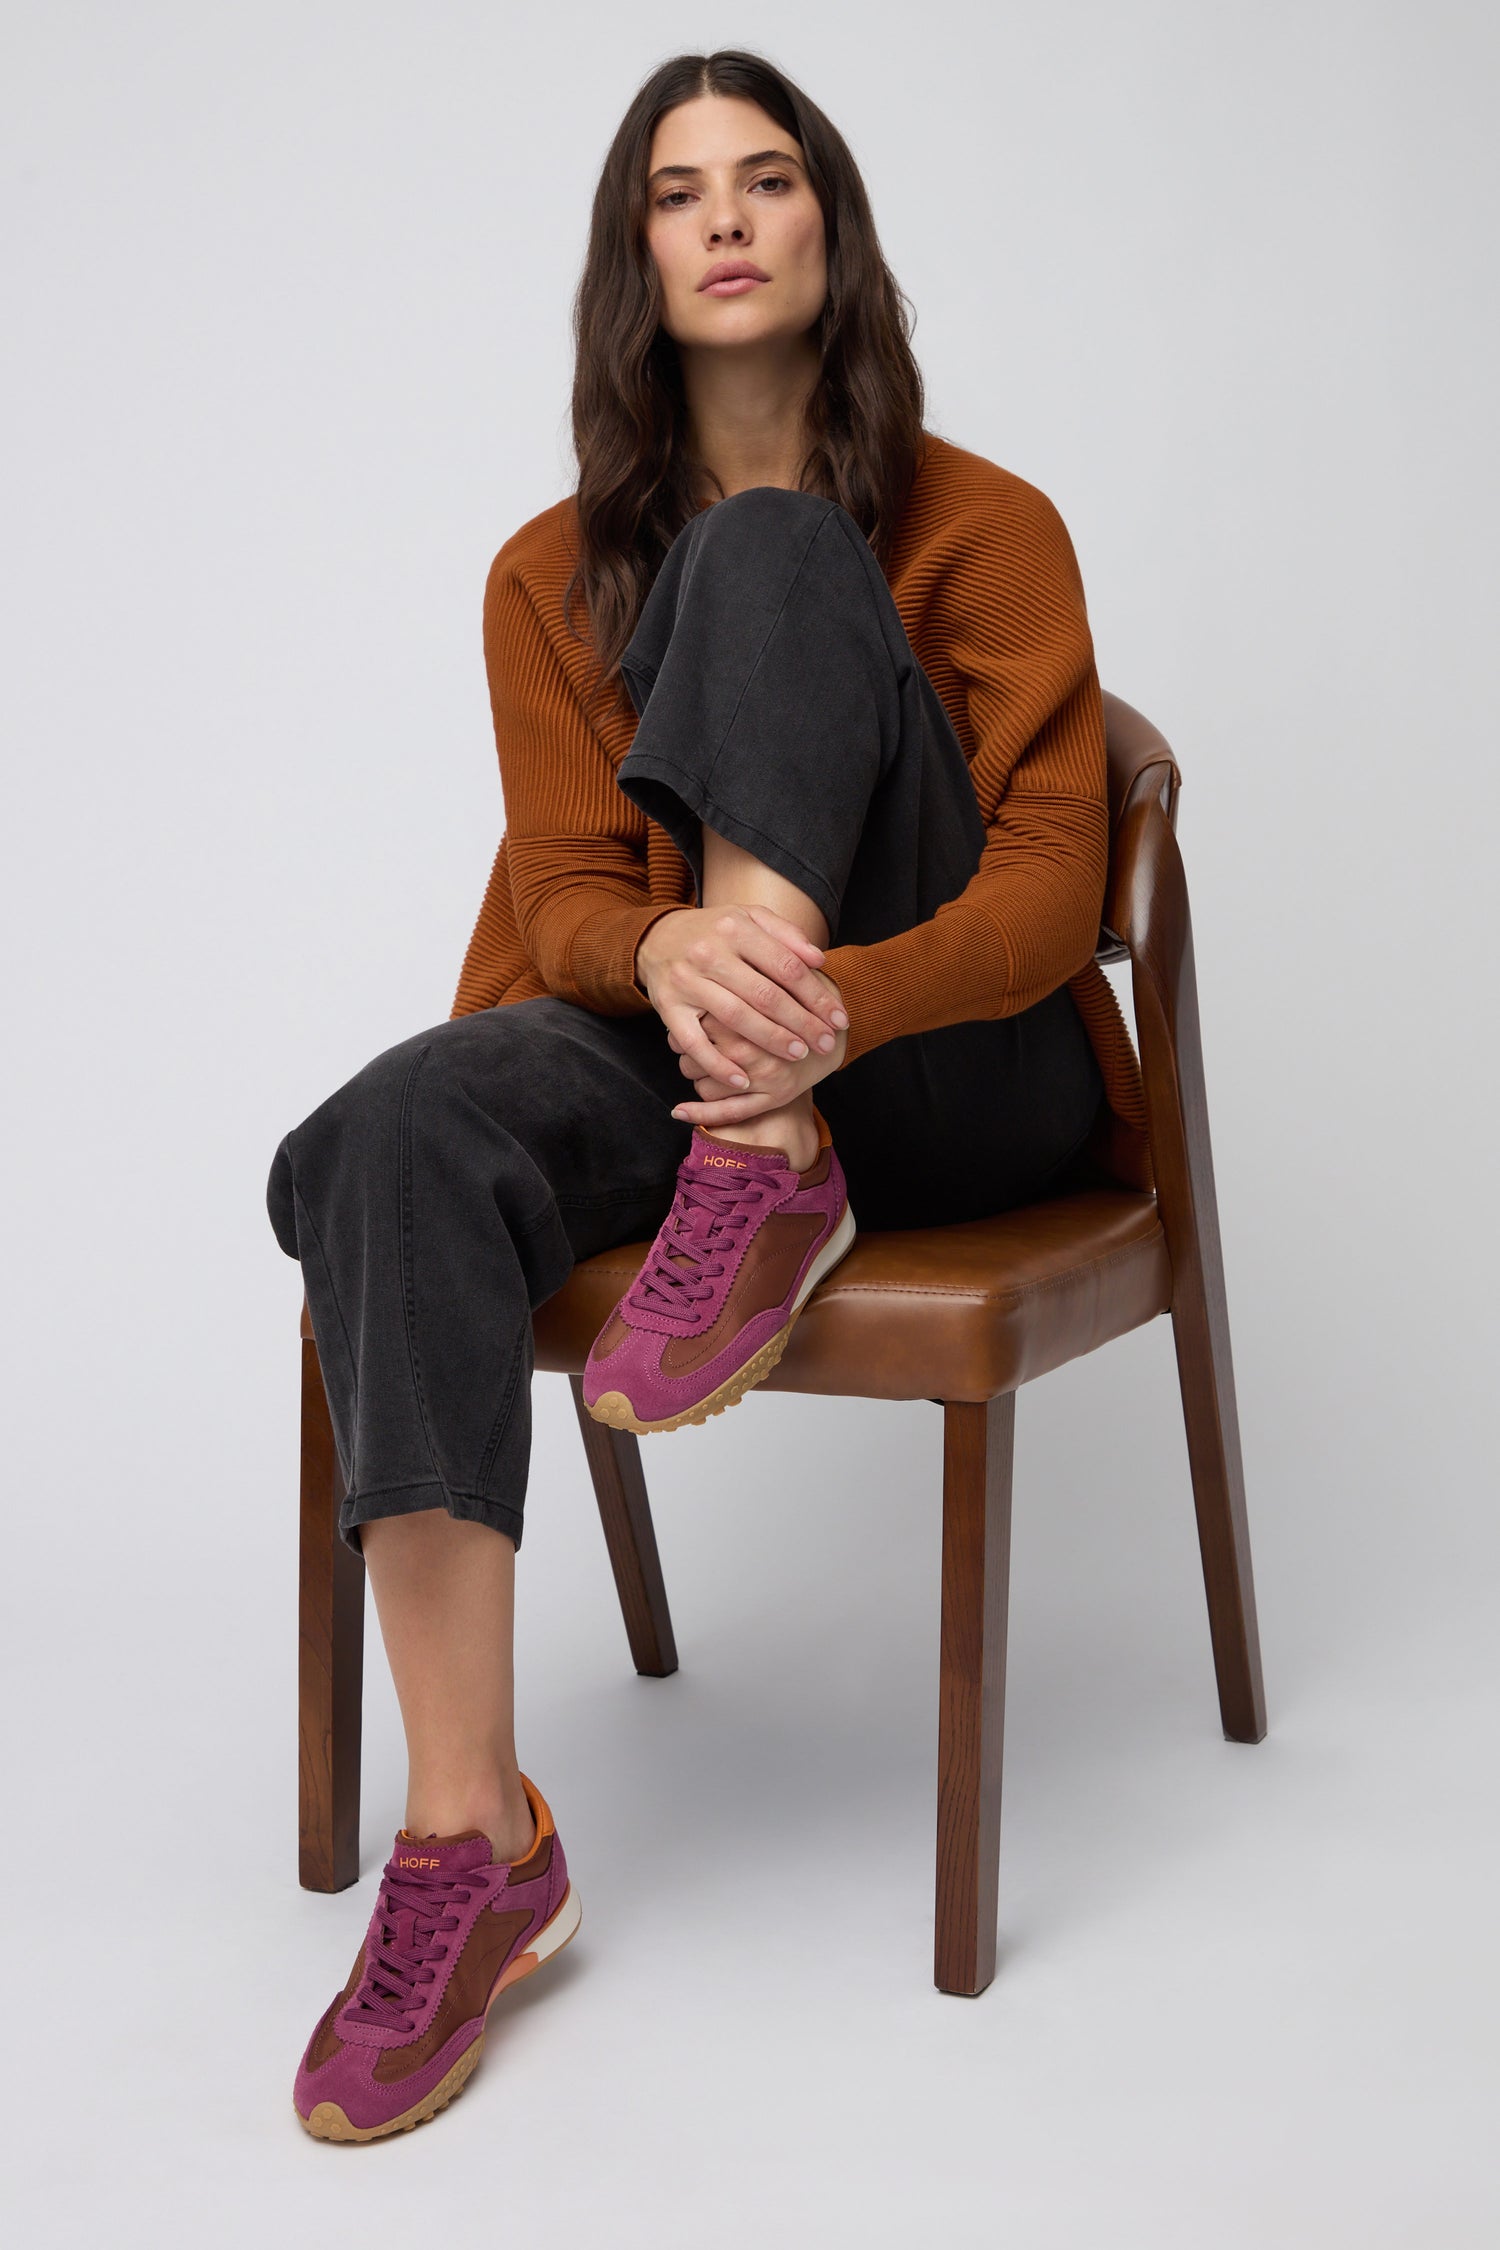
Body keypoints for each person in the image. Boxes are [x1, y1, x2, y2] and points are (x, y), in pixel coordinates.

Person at [266, 48, 1149, 2143]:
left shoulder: (991, 526)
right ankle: (470, 1848)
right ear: (635, 256)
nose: (729, 218)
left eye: (770, 181)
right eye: (681, 193)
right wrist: (664, 950)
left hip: (953, 1078)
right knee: (392, 1131)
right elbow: (571, 894)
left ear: (832, 234)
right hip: (703, 1051)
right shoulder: (542, 571)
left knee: (768, 554)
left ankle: (768, 1159)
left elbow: (1045, 898)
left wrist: (822, 1019)